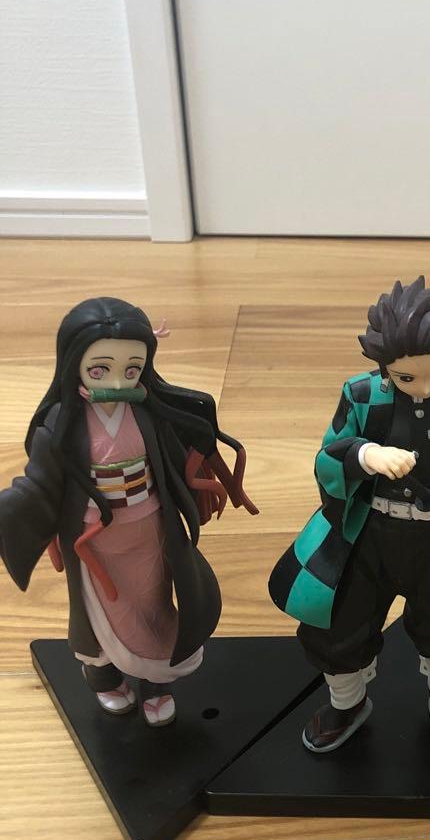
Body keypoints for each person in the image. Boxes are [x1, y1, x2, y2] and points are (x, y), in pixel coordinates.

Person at [269, 276, 430, 752]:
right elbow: (328, 457)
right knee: (339, 621)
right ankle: (346, 701)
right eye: (407, 378)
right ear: (384, 367)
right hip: (369, 532)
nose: (424, 387)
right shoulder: (362, 396)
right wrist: (365, 454)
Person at [0, 297, 257, 726]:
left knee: (156, 603)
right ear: (74, 363)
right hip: (94, 541)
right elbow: (39, 482)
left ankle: (156, 683)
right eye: (101, 370)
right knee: (98, 613)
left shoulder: (149, 412)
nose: (118, 381)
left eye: (132, 370)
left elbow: (178, 455)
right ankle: (103, 676)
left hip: (151, 526)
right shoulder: (63, 422)